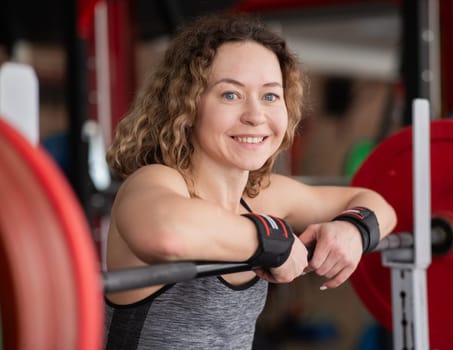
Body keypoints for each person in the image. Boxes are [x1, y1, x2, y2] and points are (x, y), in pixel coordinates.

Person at [103, 11, 397, 350]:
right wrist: (273, 240)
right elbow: (168, 235)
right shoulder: (156, 181)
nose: (256, 115)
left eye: (270, 96)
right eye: (230, 95)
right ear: (186, 104)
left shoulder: (262, 194)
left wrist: (352, 229)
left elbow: (376, 203)